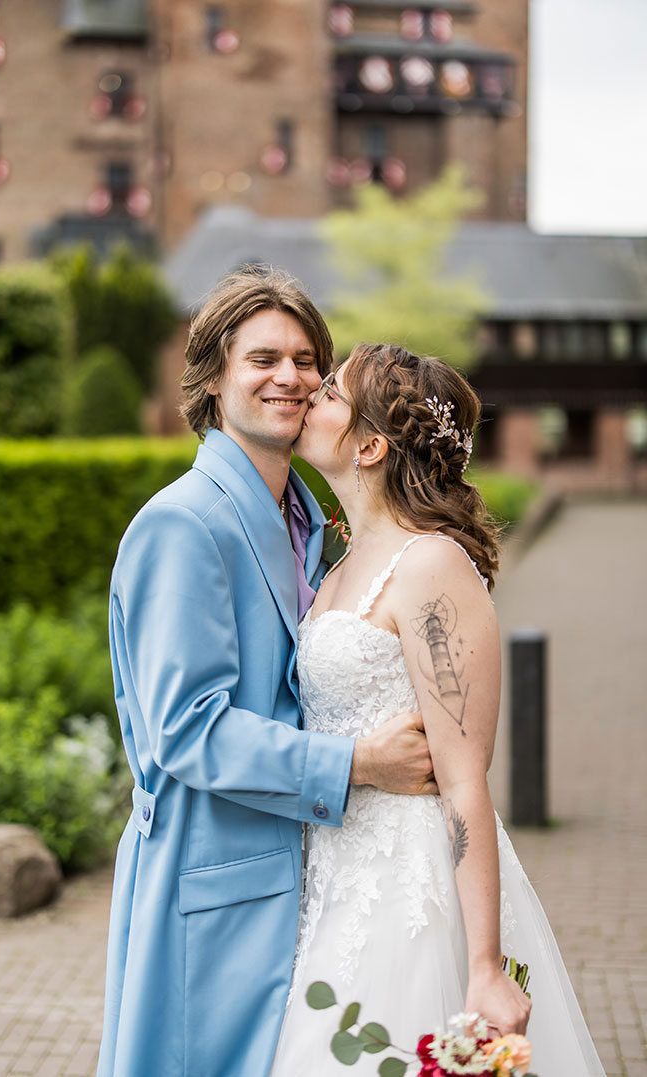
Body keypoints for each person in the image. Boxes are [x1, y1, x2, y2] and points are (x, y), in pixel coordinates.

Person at [97, 269, 439, 1077]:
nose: (289, 376)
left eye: (305, 357)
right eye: (262, 358)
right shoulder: (181, 525)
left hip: (307, 879)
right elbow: (187, 729)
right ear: (214, 379)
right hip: (210, 885)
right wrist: (358, 763)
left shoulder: (307, 521)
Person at [270, 342, 604, 1074]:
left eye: (328, 389)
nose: (305, 395)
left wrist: (483, 962)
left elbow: (462, 778)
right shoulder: (337, 561)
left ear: (369, 444)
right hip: (330, 874)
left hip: (409, 887)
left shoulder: (432, 565)